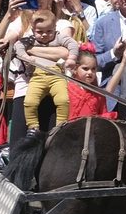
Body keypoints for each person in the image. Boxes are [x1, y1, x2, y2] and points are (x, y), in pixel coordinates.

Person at [12, 10, 79, 139]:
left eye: (49, 31)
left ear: (55, 28)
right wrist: (25, 57)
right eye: (40, 32)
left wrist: (72, 58)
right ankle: (33, 127)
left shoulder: (59, 37)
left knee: (63, 100)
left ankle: (61, 126)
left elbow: (72, 44)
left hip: (57, 76)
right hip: (37, 76)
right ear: (32, 30)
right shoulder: (30, 40)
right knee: (30, 101)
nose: (44, 35)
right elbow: (17, 46)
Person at [67, 49, 109, 119]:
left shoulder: (99, 94)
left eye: (93, 69)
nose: (90, 72)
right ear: (75, 69)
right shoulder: (67, 88)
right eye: (85, 69)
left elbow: (103, 116)